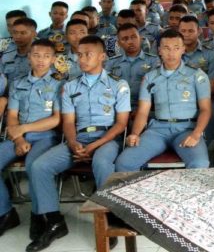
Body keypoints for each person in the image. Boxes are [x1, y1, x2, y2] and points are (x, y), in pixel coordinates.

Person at [27, 36, 130, 252]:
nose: (81, 58)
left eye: (88, 54)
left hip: (106, 138)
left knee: (102, 163)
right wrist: (73, 143)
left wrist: (94, 146)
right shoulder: (70, 86)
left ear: (102, 56)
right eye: (79, 54)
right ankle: (55, 221)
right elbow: (69, 121)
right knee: (40, 166)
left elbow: (121, 124)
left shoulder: (118, 84)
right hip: (79, 138)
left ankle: (107, 219)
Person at [115, 30, 211, 172]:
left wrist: (196, 134)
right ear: (159, 50)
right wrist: (135, 133)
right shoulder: (150, 77)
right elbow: (142, 112)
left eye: (176, 48)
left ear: (183, 49)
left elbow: (205, 109)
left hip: (186, 129)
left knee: (200, 163)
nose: (171, 53)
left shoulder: (197, 75)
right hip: (157, 131)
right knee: (124, 163)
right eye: (166, 48)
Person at [0, 40, 62, 239]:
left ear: (53, 59)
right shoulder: (18, 83)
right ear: (29, 57)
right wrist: (18, 140)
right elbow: (11, 116)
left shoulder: (60, 83)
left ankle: (40, 216)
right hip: (18, 136)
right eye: (36, 55)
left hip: (46, 136)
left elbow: (56, 119)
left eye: (46, 56)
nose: (41, 60)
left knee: (33, 165)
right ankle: (5, 213)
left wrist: (24, 129)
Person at [104, 24, 160, 110]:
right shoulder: (112, 63)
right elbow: (106, 88)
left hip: (145, 108)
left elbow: (156, 89)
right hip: (117, 108)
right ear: (119, 43)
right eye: (125, 39)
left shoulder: (153, 61)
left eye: (134, 37)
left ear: (140, 38)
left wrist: (140, 110)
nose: (130, 41)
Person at [2, 18, 37, 85]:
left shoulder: (42, 57)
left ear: (34, 34)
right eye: (15, 33)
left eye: (23, 33)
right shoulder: (7, 56)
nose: (17, 36)